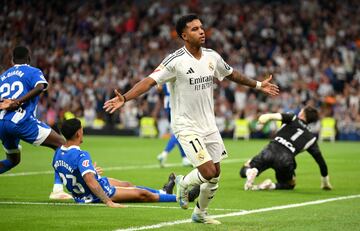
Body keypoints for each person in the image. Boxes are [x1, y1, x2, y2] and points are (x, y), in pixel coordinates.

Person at [103, 14, 279, 224]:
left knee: (215, 174)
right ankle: (183, 183)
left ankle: (200, 213)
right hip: (186, 125)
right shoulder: (175, 60)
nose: (201, 31)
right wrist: (125, 97)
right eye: (195, 29)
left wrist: (258, 85)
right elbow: (150, 81)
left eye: (201, 27)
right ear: (184, 35)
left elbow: (231, 74)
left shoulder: (212, 56)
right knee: (207, 171)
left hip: (209, 125)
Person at [53, 118, 183, 206]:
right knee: (142, 194)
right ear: (78, 134)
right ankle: (180, 198)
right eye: (81, 129)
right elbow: (91, 182)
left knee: (127, 184)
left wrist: (89, 172)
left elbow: (64, 170)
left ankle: (164, 192)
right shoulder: (81, 155)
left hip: (81, 194)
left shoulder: (58, 153)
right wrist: (108, 202)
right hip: (95, 195)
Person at [0, 46, 72, 200]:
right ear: (29, 58)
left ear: (12, 60)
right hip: (20, 120)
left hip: (2, 123)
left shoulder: (4, 76)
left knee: (13, 160)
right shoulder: (32, 71)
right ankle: (58, 190)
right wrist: (18, 102)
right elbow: (40, 87)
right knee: (62, 144)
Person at [239, 106, 333, 191]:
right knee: (289, 184)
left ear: (302, 114)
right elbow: (321, 163)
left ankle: (249, 172)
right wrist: (325, 182)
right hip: (286, 160)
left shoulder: (292, 117)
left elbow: (271, 116)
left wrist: (264, 118)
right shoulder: (311, 139)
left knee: (244, 169)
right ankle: (271, 186)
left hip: (270, 150)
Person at [157, 83, 191, 167]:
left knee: (179, 132)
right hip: (175, 105)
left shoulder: (165, 76)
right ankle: (164, 154)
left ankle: (184, 158)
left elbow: (159, 88)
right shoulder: (174, 73)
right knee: (179, 132)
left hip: (168, 105)